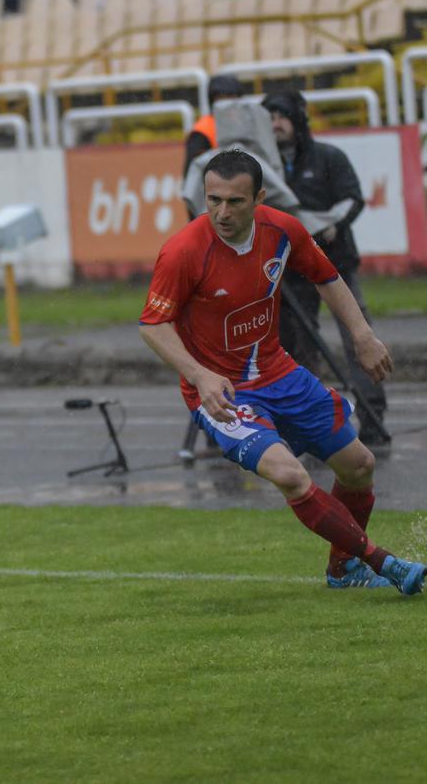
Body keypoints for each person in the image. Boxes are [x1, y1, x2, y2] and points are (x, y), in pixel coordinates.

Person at [139, 149, 425, 595]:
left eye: (234, 201)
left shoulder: (283, 230)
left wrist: (362, 335)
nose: (221, 212)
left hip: (279, 373)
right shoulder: (183, 251)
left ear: (260, 198)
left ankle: (342, 569)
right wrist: (199, 374)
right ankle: (381, 562)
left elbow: (327, 277)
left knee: (360, 465)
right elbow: (152, 325)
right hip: (223, 393)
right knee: (291, 475)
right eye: (213, 200)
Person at [262, 90, 388, 445]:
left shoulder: (328, 157)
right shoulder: (262, 169)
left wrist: (332, 225)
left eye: (282, 116)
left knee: (358, 337)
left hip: (337, 265)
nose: (276, 125)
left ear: (298, 120)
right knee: (298, 347)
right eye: (269, 118)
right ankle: (313, 420)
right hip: (291, 273)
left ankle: (373, 415)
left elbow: (353, 198)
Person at [183, 75, 245, 183]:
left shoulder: (245, 123)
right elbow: (192, 175)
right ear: (213, 101)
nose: (228, 103)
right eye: (223, 98)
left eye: (232, 97)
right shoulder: (202, 131)